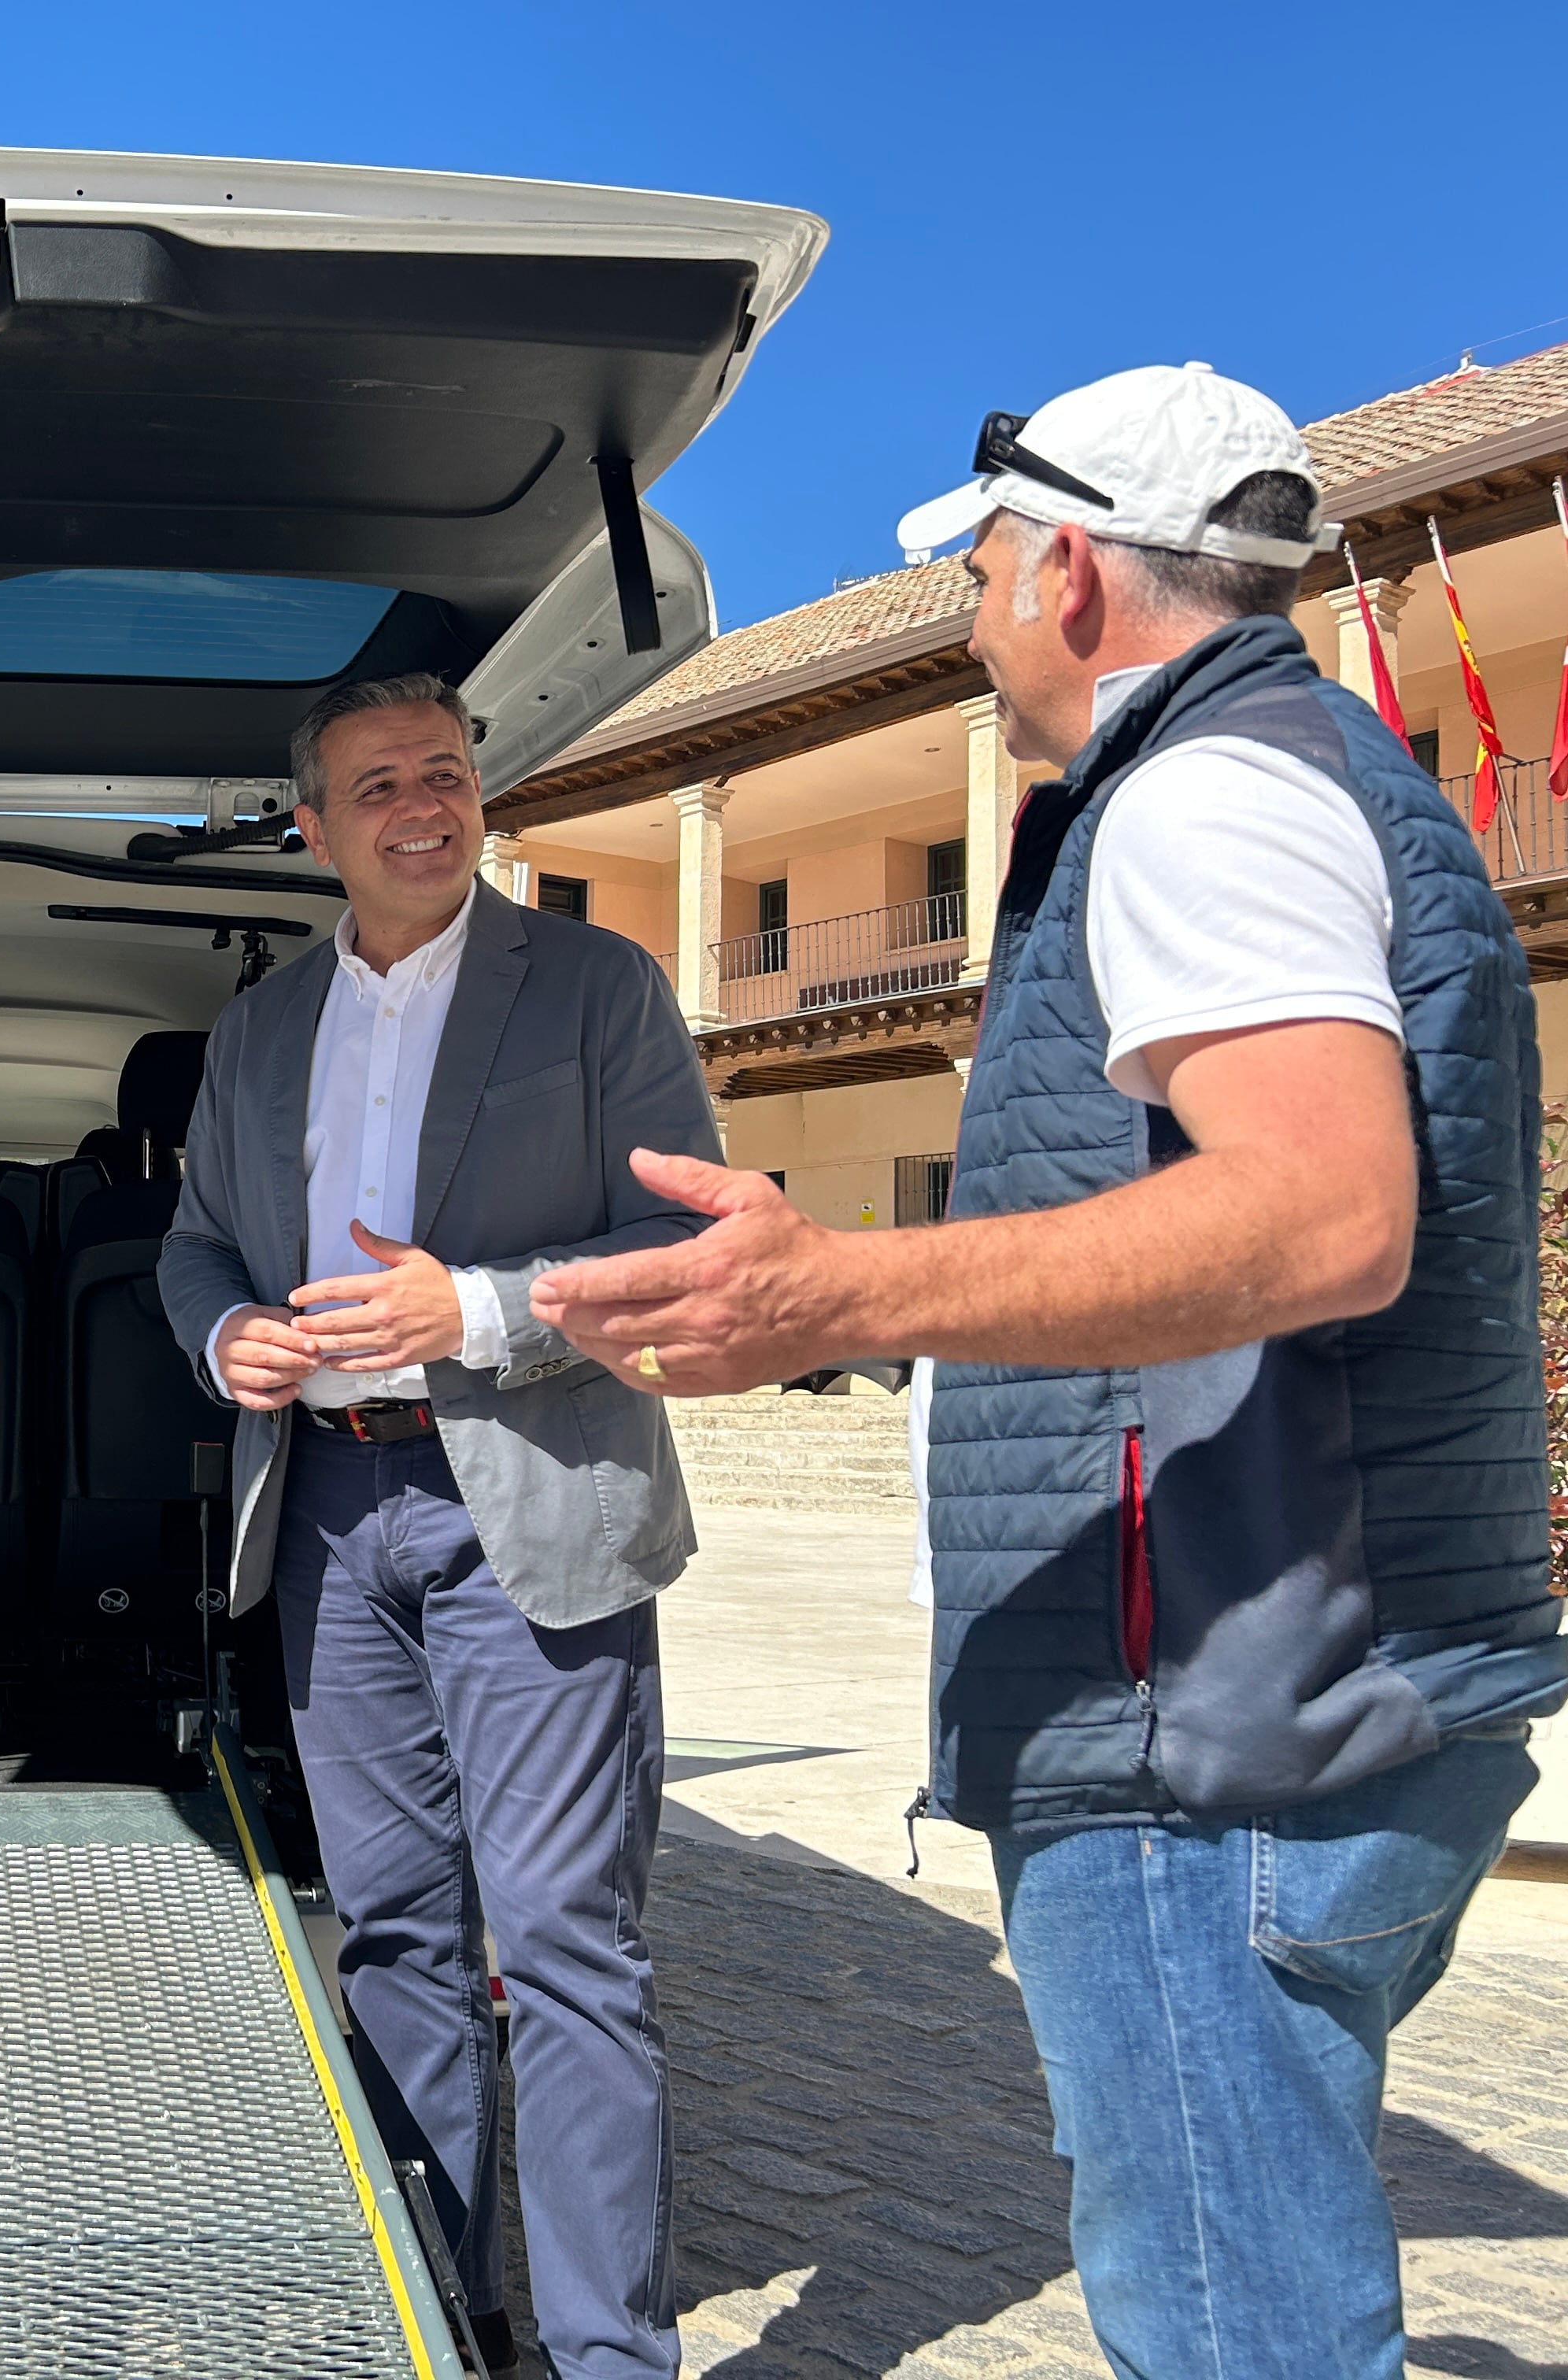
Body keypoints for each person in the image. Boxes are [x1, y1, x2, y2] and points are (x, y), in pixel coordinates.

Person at [531, 364, 1567, 2380]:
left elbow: (1325, 1213)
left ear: (1076, 572)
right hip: (1344, 1687)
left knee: (1227, 2325)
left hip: (1213, 1732)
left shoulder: (1200, 800)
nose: (968, 615)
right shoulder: (1321, 776)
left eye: (985, 569)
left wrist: (847, 1290)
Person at [157, 672, 722, 2379]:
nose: (424, 805)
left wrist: (466, 1313)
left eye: (450, 774)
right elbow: (192, 1245)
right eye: (380, 783)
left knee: (564, 1942)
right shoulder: (256, 1032)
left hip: (531, 1504)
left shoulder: (600, 986)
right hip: (327, 1521)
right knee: (395, 1932)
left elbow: (678, 1250)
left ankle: (612, 2353)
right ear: (313, 827)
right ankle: (444, 2316)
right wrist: (224, 1338)